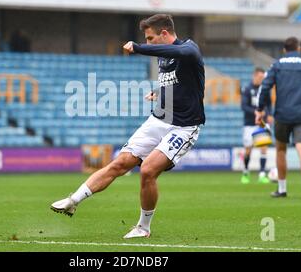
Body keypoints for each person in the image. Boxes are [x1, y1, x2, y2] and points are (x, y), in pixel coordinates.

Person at [51, 14, 205, 239]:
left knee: (148, 170)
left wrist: (139, 47)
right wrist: (161, 93)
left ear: (164, 33)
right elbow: (178, 83)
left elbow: (182, 54)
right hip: (159, 119)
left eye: (151, 38)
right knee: (120, 163)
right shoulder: (163, 57)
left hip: (184, 127)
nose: (149, 42)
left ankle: (143, 228)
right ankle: (73, 200)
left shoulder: (189, 49)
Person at [255, 37, 301, 198]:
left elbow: (265, 87)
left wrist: (259, 109)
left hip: (282, 114)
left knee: (281, 149)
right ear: (299, 48)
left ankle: (282, 188)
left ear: (284, 50)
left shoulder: (277, 65)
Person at [240, 67, 273, 184]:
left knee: (264, 148)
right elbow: (244, 106)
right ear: (254, 76)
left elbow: (268, 105)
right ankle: (245, 172)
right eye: (260, 77)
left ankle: (262, 174)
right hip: (249, 124)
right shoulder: (247, 89)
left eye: (263, 78)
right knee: (248, 149)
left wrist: (269, 114)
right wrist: (255, 112)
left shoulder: (264, 90)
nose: (261, 79)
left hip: (261, 123)